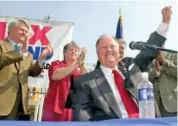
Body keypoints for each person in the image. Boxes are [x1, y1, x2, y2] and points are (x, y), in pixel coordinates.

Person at [72, 6, 172, 121]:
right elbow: (83, 117)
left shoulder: (131, 65)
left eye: (112, 47)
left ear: (119, 51)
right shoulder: (85, 82)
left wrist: (165, 22)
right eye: (104, 48)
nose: (109, 50)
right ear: (97, 54)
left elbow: (148, 50)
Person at [0, 19, 53, 120]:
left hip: (17, 104)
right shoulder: (1, 45)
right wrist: (20, 53)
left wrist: (42, 58)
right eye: (21, 29)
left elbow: (34, 72)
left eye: (26, 31)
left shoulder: (28, 55)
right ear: (10, 30)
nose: (25, 33)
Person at [42, 41, 88, 121]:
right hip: (55, 108)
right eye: (71, 50)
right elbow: (55, 75)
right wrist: (77, 64)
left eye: (76, 50)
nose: (74, 51)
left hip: (73, 110)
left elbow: (88, 81)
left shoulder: (79, 70)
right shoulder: (57, 64)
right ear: (65, 53)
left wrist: (82, 63)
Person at [147, 51, 177, 117]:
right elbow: (144, 78)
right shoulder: (147, 59)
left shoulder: (174, 55)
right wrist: (155, 72)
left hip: (172, 105)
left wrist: (164, 62)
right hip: (154, 106)